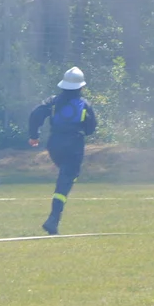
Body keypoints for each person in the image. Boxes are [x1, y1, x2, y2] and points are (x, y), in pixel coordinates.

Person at [28, 66, 97, 235]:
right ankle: (53, 218)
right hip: (74, 144)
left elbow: (35, 114)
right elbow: (91, 128)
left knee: (65, 175)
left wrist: (34, 135)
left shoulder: (52, 101)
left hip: (55, 144)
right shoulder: (85, 105)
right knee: (66, 179)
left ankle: (54, 215)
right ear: (81, 87)